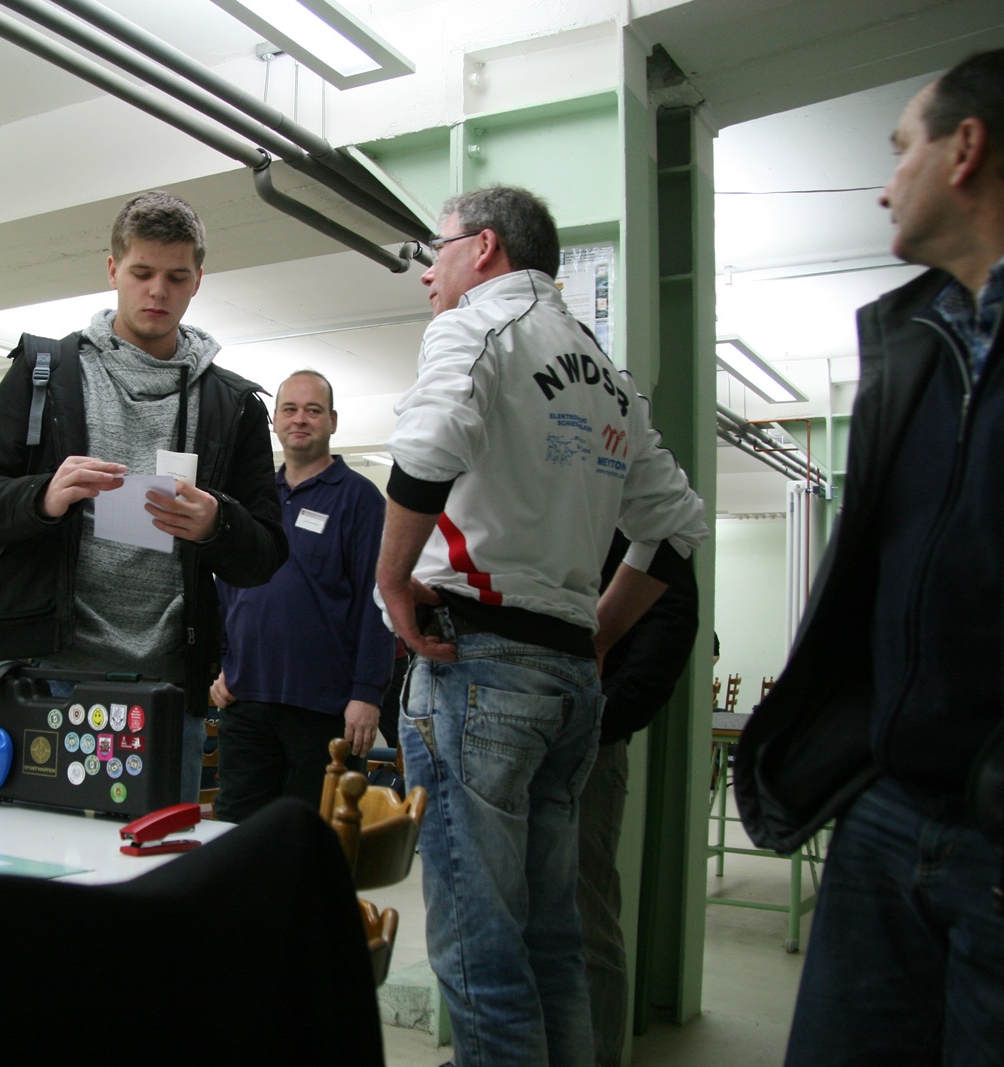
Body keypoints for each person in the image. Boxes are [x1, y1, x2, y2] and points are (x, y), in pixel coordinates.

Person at [375, 185, 708, 1066]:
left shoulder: (478, 326)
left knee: (479, 952)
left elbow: (428, 445)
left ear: (483, 247)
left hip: (478, 668)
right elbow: (676, 526)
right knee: (553, 940)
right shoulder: (605, 372)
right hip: (566, 684)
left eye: (436, 250)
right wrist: (596, 634)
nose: (428, 274)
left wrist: (391, 578)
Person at [734, 50, 1004, 1065]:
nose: (886, 185)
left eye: (900, 151)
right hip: (886, 805)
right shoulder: (915, 344)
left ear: (964, 149)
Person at [0, 191, 286, 799]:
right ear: (112, 270)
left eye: (176, 277)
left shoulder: (231, 404)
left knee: (152, 856)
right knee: (28, 853)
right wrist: (43, 497)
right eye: (141, 272)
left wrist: (218, 523)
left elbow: (265, 554)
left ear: (197, 281)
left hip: (166, 688)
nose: (157, 291)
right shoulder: (45, 373)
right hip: (43, 676)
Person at [208, 370, 393, 822]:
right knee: (234, 837)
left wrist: (368, 695)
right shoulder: (251, 500)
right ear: (274, 421)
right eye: (289, 409)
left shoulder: (361, 499)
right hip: (246, 700)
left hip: (326, 708)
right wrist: (220, 664)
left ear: (332, 421)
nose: (300, 419)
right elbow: (226, 586)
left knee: (316, 839)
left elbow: (378, 603)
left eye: (313, 410)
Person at [577, 531, 699, 1067]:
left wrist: (606, 716)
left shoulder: (643, 504)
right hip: (509, 724)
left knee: (585, 914)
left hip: (587, 741)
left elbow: (671, 617)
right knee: (504, 911)